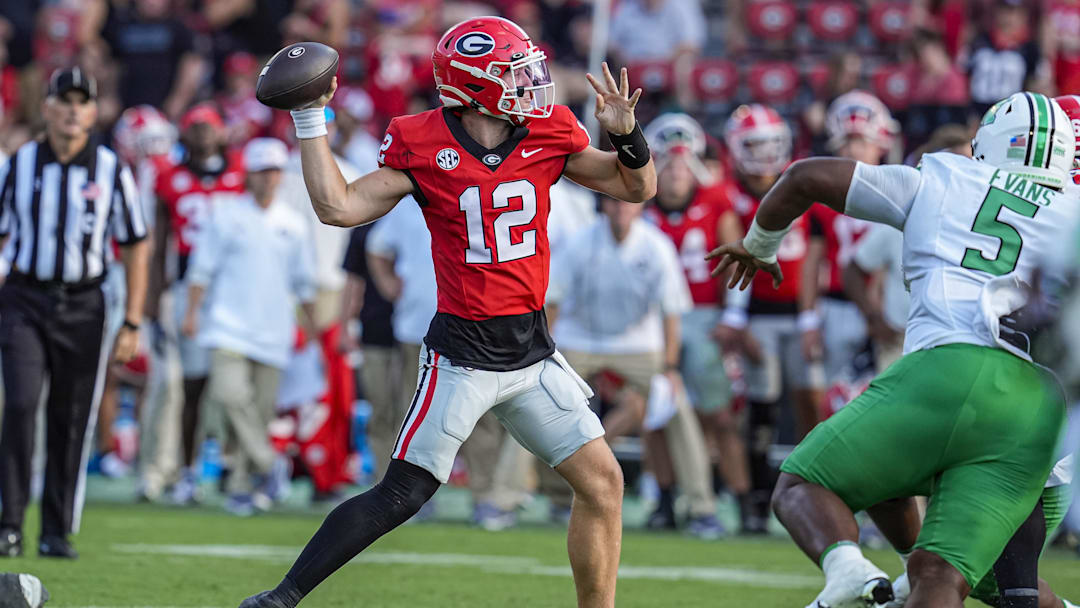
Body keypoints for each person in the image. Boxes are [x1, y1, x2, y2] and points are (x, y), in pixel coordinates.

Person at [240, 15, 656, 608]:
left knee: (603, 482)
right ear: (475, 85)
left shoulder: (548, 131)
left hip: (532, 354)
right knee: (401, 496)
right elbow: (339, 208)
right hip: (463, 357)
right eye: (512, 73)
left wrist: (626, 135)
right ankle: (280, 598)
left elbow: (637, 189)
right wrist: (311, 120)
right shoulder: (421, 140)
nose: (530, 82)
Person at [708, 91, 1077, 608]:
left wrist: (760, 246)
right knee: (940, 574)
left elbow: (805, 177)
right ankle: (900, 576)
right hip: (1037, 411)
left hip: (948, 369)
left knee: (802, 484)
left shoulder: (946, 177)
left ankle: (848, 573)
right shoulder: (1074, 213)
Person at [0, 68, 149, 558]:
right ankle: (10, 523)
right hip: (24, 297)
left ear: (92, 111)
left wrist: (132, 319)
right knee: (20, 405)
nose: (71, 110)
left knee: (71, 415)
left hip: (85, 303)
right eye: (63, 100)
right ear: (46, 107)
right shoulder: (18, 164)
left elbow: (135, 245)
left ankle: (55, 531)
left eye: (81, 102)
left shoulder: (110, 169)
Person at [545, 193, 722, 538]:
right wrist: (546, 353)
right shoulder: (581, 242)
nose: (620, 208)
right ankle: (502, 499)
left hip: (640, 346)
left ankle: (702, 507)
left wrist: (670, 369)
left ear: (640, 206)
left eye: (627, 202)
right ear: (603, 206)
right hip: (579, 340)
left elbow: (671, 312)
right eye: (613, 201)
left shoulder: (656, 246)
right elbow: (553, 300)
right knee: (536, 398)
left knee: (678, 407)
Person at [183, 137, 318, 515]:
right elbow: (201, 268)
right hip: (227, 326)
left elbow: (303, 282)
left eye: (275, 170)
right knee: (227, 396)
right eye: (262, 171)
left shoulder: (293, 223)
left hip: (273, 331)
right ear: (248, 175)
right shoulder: (224, 213)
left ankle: (243, 485)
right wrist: (192, 312)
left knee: (257, 414)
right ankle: (268, 462)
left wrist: (310, 327)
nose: (269, 178)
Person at [715, 103, 821, 534]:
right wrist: (737, 318)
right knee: (761, 407)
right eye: (753, 144)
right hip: (756, 312)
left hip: (800, 313)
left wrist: (811, 317)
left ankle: (817, 493)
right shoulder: (729, 195)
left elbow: (816, 251)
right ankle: (759, 499)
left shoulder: (800, 183)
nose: (763, 154)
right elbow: (731, 257)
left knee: (813, 405)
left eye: (769, 144)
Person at [642, 112, 750, 534]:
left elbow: (738, 259)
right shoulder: (638, 202)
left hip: (704, 317)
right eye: (667, 161)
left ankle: (743, 505)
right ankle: (666, 501)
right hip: (653, 322)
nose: (676, 171)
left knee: (719, 416)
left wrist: (734, 316)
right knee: (657, 415)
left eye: (683, 161)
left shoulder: (717, 199)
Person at [147, 103, 245, 505]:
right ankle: (187, 471)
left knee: (236, 386)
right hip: (193, 289)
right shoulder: (169, 179)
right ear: (183, 135)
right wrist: (151, 306)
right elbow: (157, 249)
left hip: (238, 288)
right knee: (193, 384)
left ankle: (232, 466)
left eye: (210, 126)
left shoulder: (242, 174)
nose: (203, 134)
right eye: (195, 127)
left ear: (223, 132)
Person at [801, 91, 898, 388]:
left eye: (862, 141)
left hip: (884, 304)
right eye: (849, 141)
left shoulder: (897, 190)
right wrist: (808, 318)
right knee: (839, 394)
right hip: (837, 304)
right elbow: (812, 260)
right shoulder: (823, 197)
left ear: (879, 142)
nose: (855, 150)